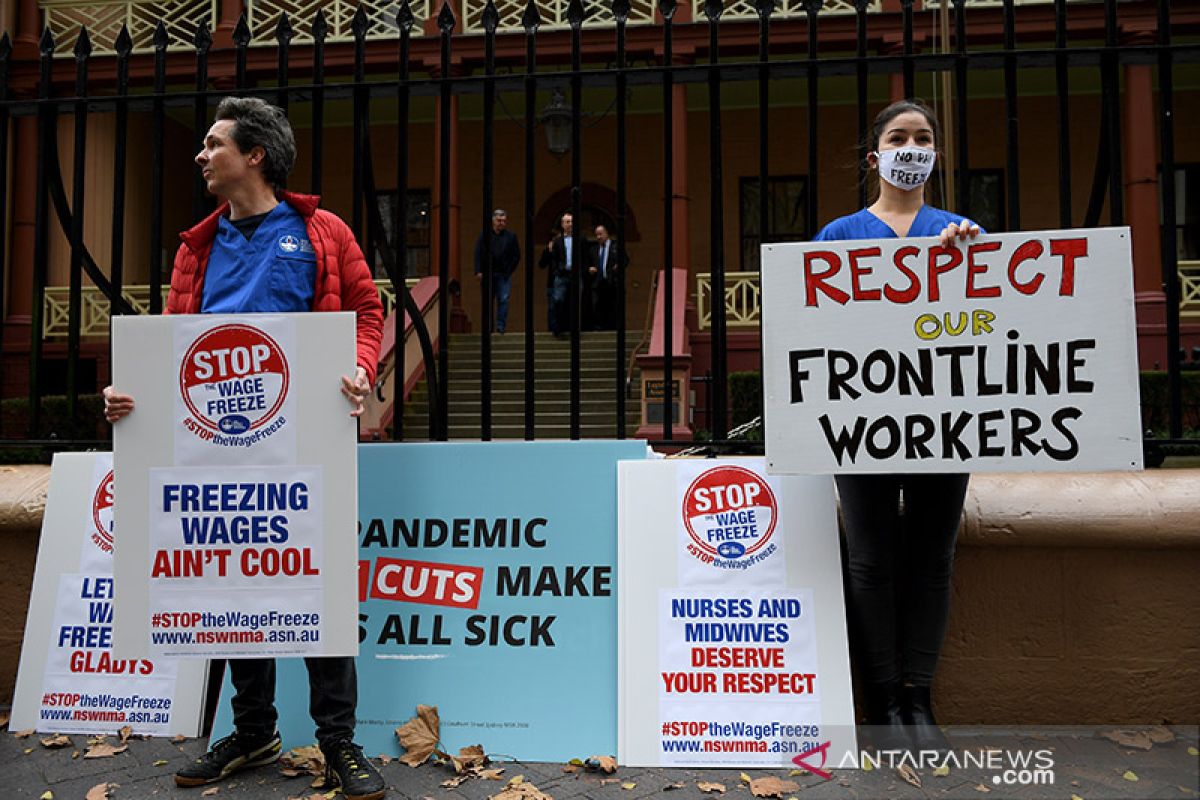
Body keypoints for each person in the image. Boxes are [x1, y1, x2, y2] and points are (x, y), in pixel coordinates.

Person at [102, 97, 387, 800]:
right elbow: (174, 347)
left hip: (305, 443)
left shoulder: (321, 232)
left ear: (254, 154)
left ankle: (338, 742)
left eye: (213, 143)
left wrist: (360, 365)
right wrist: (131, 395)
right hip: (217, 443)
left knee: (316, 587)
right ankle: (253, 729)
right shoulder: (195, 247)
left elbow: (368, 310)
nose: (201, 155)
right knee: (234, 582)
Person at [812, 99, 981, 753]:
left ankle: (919, 696)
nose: (912, 147)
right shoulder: (838, 237)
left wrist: (964, 260)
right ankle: (883, 701)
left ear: (935, 154)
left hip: (944, 426)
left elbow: (990, 331)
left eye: (923, 137)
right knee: (873, 560)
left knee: (933, 559)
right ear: (875, 156)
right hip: (860, 427)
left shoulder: (964, 233)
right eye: (898, 137)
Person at [537, 211, 591, 337]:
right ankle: (559, 328)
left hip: (576, 275)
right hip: (561, 275)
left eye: (572, 221)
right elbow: (552, 259)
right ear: (562, 224)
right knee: (558, 300)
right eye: (567, 222)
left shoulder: (581, 239)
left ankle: (575, 329)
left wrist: (583, 271)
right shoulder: (558, 241)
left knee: (576, 302)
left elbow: (585, 257)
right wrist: (557, 270)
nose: (570, 224)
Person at [473, 208, 520, 333]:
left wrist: (509, 270)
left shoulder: (511, 236)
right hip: (488, 273)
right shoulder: (484, 235)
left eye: (504, 221)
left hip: (503, 274)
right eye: (499, 220)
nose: (501, 223)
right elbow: (478, 253)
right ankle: (488, 327)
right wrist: (478, 271)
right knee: (487, 301)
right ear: (493, 221)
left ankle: (500, 326)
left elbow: (516, 256)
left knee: (503, 300)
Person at [587, 224, 627, 331]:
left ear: (606, 234)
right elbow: (588, 263)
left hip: (612, 282)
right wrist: (589, 268)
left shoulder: (616, 246)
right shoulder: (593, 250)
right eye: (596, 235)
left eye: (600, 234)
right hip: (598, 282)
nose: (598, 237)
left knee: (613, 306)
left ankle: (614, 327)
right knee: (597, 305)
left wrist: (619, 265)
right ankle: (599, 327)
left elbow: (625, 260)